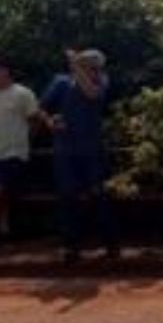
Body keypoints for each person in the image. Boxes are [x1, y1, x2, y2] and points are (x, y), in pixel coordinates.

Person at [39, 49, 116, 263]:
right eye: (90, 65)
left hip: (92, 149)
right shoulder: (60, 82)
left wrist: (76, 66)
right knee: (67, 197)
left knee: (99, 194)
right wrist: (50, 122)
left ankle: (110, 243)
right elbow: (42, 108)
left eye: (96, 66)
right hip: (65, 150)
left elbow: (92, 93)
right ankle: (71, 246)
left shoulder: (102, 81)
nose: (95, 70)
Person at [0, 55, 39, 239]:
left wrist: (25, 140)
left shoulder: (23, 93)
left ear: (5, 71)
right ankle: (3, 227)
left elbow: (34, 119)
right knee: (2, 190)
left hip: (14, 152)